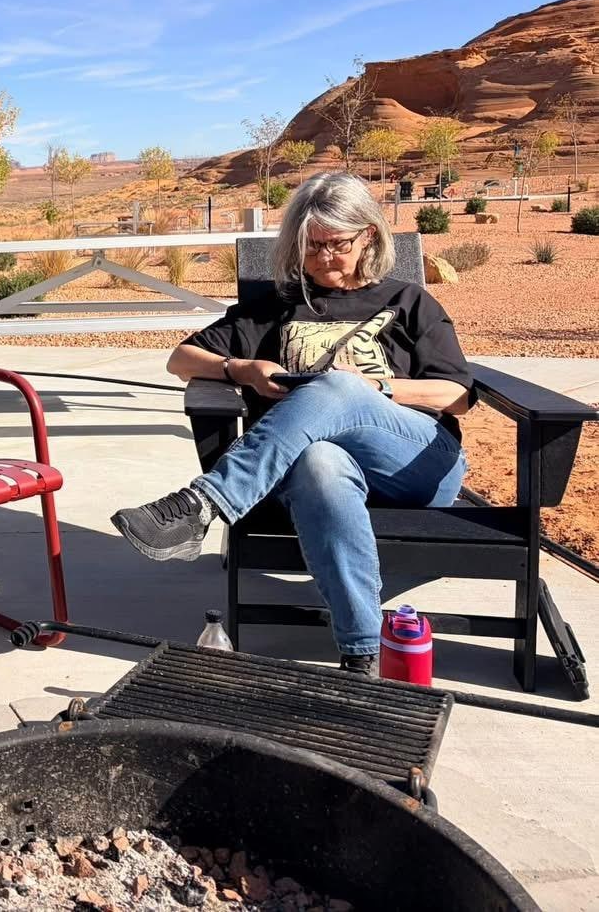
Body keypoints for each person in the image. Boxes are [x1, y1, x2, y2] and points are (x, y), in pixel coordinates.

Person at [110, 172, 472, 673]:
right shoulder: (275, 308)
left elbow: (455, 395)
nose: (323, 257)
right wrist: (241, 369)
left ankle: (204, 502)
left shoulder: (409, 303)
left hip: (415, 462)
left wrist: (376, 388)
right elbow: (181, 358)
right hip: (308, 477)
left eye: (336, 243)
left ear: (368, 234)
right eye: (310, 246)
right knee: (320, 461)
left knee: (340, 386)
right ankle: (362, 652)